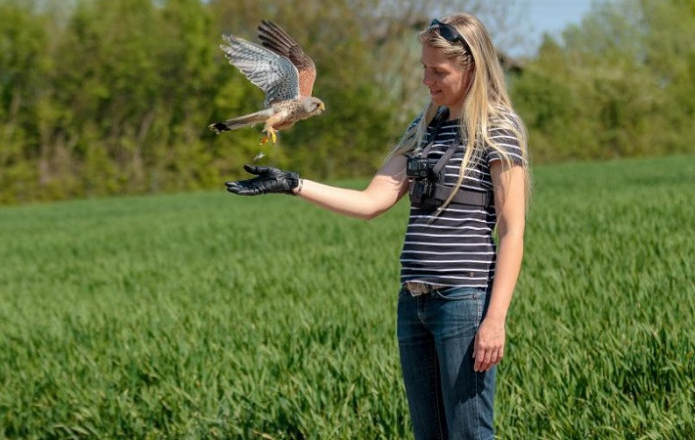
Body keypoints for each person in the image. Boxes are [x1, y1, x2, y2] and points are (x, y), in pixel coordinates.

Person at [225, 13, 529, 440]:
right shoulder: (425, 128)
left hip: (464, 302)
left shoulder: (498, 128)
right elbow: (372, 201)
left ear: (472, 66)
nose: (427, 80)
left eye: (437, 71)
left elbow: (512, 230)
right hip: (414, 303)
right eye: (424, 68)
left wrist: (494, 319)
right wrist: (293, 184)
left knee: (469, 435)